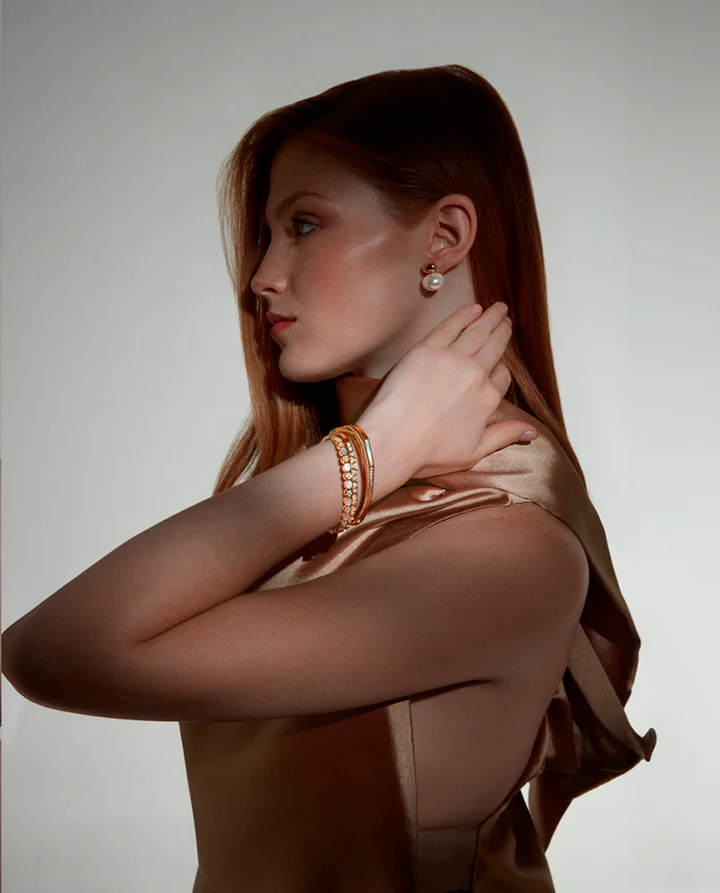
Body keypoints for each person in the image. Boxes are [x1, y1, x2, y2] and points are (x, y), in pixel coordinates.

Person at [2, 64, 656, 892]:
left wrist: (369, 453)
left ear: (445, 237)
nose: (262, 276)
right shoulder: (356, 496)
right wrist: (370, 456)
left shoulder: (510, 545)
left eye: (305, 224)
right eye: (267, 234)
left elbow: (53, 649)